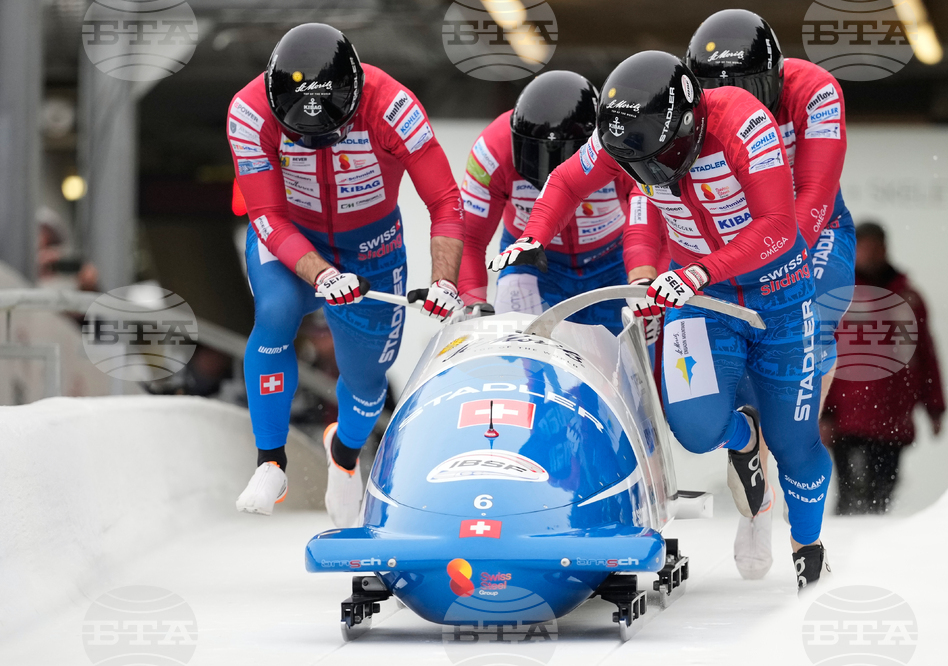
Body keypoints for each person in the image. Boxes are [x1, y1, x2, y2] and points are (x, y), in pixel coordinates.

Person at [492, 51, 832, 589]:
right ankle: (743, 441)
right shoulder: (622, 137)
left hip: (779, 299)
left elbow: (778, 227)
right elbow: (564, 182)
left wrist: (701, 270)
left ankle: (808, 547)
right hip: (700, 301)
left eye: (664, 154)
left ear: (691, 122)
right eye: (637, 163)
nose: (652, 172)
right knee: (695, 430)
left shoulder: (743, 122)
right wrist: (534, 234)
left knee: (794, 449)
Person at [228, 24, 465, 525]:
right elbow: (266, 216)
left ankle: (344, 455)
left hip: (371, 246)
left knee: (366, 376)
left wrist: (445, 281)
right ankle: (271, 460)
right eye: (302, 137)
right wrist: (318, 273)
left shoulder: (395, 107)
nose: (317, 145)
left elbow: (444, 201)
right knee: (275, 311)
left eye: (330, 135)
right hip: (292, 237)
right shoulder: (248, 112)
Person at [685, 9, 856, 579]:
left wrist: (775, 272)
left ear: (776, 79)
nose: (737, 109)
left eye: (750, 92)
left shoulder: (816, 91)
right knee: (738, 387)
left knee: (812, 317)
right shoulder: (685, 115)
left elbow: (812, 191)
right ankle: (756, 489)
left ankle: (786, 476)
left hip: (811, 233)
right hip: (728, 246)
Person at [462, 71, 638, 337]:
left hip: (613, 267)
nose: (550, 171)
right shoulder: (491, 152)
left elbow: (656, 225)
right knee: (521, 367)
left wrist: (645, 279)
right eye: (538, 153)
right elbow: (470, 239)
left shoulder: (619, 143)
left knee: (632, 369)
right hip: (530, 264)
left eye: (563, 156)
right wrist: (472, 302)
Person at [822, 222, 946, 514]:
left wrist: (935, 407)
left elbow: (925, 355)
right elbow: (821, 356)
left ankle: (874, 556)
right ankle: (842, 555)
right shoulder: (838, 295)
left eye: (875, 247)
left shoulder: (909, 298)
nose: (870, 254)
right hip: (846, 417)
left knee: (881, 500)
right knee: (851, 498)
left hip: (893, 417)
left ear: (885, 248)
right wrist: (823, 412)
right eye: (864, 248)